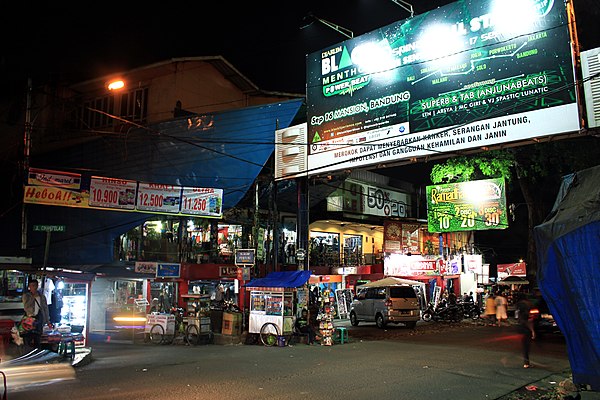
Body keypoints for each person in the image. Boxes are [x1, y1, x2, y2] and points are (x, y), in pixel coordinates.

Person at [22, 279, 51, 349]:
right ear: (29, 287)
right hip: (29, 319)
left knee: (37, 339)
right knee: (28, 338)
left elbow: (45, 308)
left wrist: (48, 320)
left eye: (35, 285)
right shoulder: (26, 296)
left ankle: (37, 353)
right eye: (32, 286)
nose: (34, 287)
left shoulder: (42, 297)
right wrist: (33, 297)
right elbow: (26, 307)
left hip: (39, 319)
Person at [515, 293, 535, 368]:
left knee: (524, 345)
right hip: (526, 327)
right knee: (526, 345)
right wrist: (533, 330)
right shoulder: (529, 305)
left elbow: (517, 316)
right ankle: (526, 363)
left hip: (520, 326)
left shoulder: (518, 305)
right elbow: (530, 320)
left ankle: (526, 362)